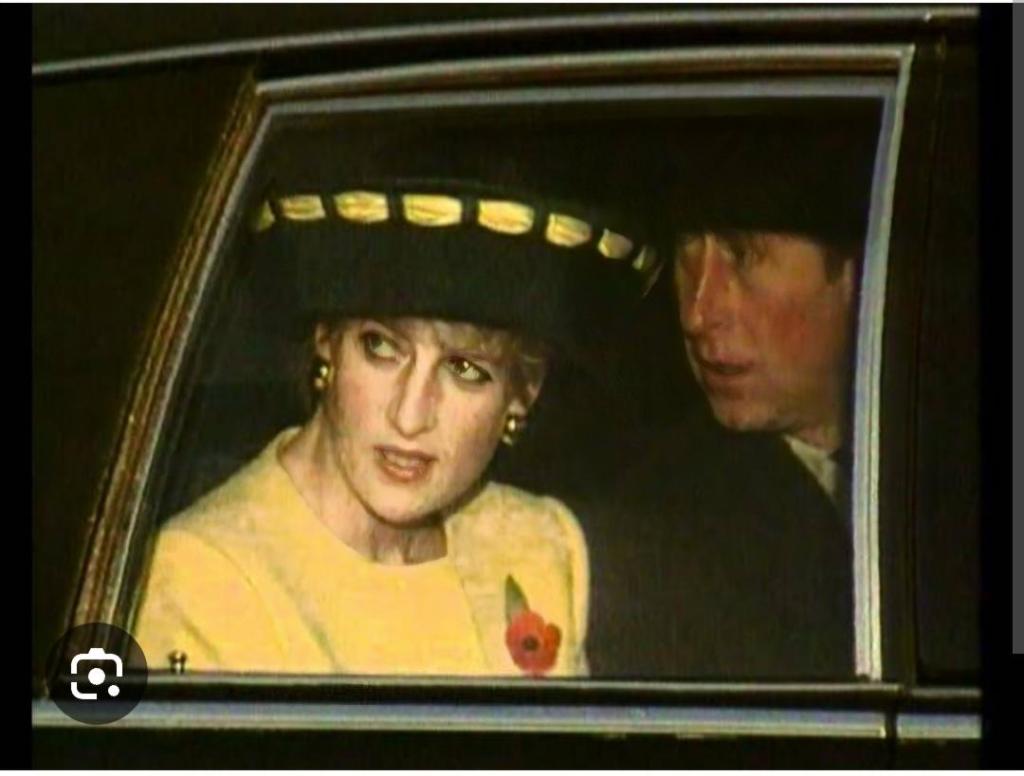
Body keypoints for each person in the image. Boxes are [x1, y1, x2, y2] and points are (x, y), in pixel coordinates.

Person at [132, 168, 661, 678]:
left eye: (465, 370)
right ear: (326, 341)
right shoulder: (202, 577)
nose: (409, 416)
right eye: (381, 347)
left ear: (523, 394)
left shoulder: (540, 546)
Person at [585, 123, 875, 679]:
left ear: (854, 273)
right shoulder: (653, 527)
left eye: (742, 256)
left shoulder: (947, 466)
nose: (698, 312)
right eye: (686, 252)